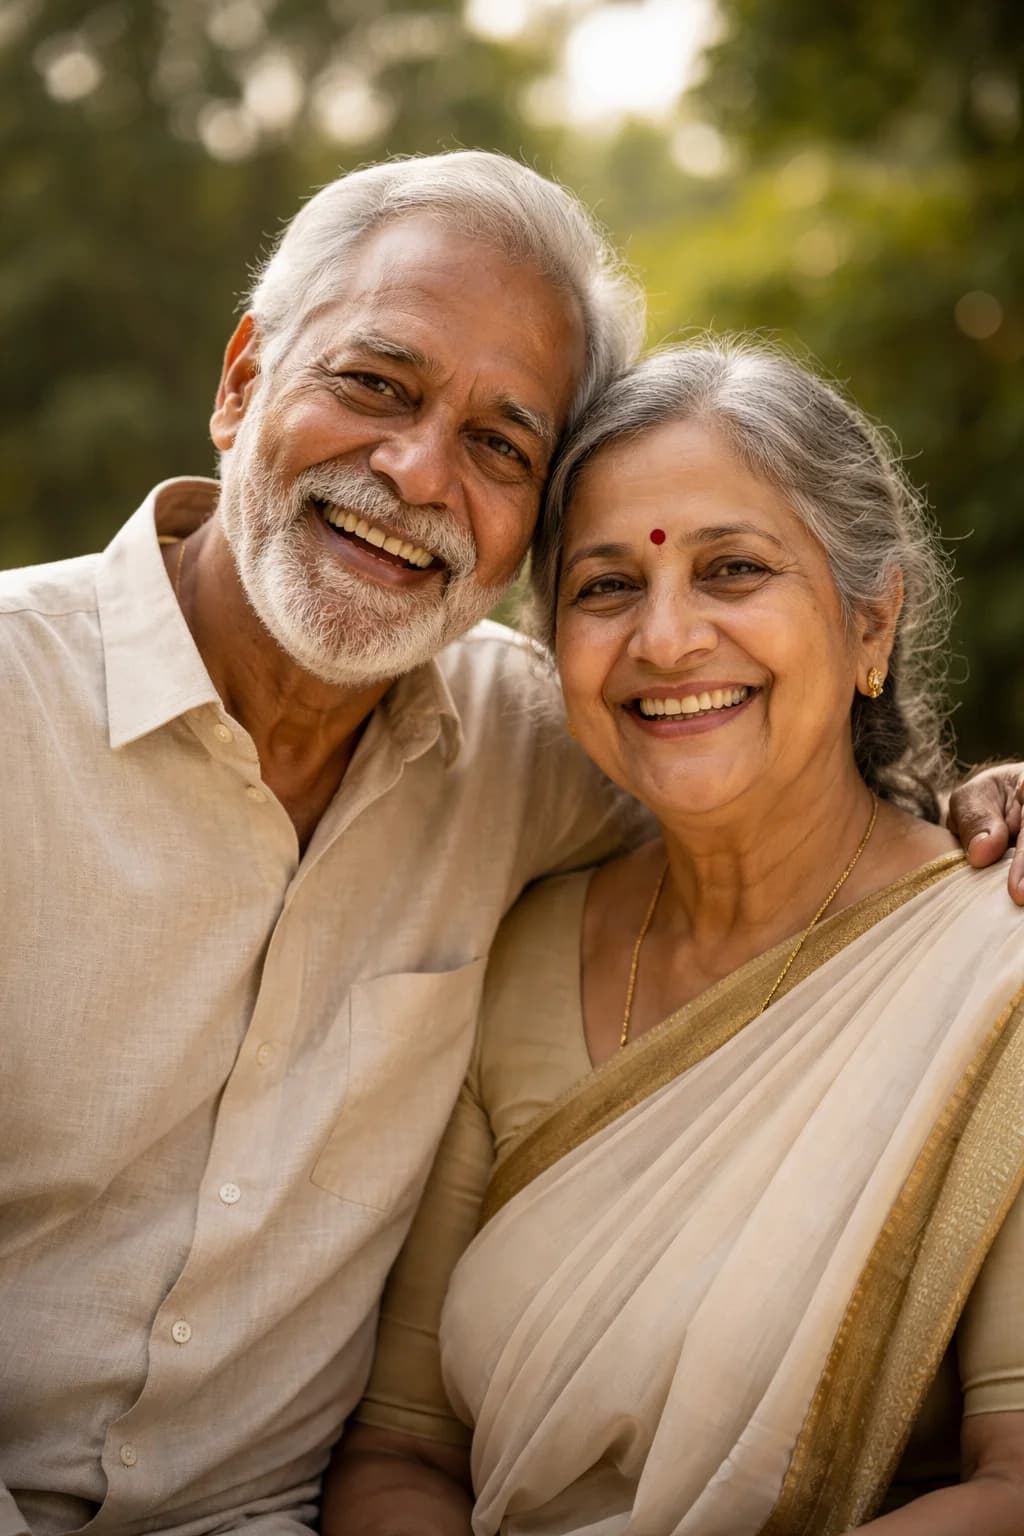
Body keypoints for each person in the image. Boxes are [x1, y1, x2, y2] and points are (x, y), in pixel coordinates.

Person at [0, 152, 652, 1536]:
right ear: (242, 384)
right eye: (375, 385)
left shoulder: (545, 747)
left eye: (500, 446)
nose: (415, 471)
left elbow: (806, 823)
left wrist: (984, 798)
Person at [329, 340, 1024, 1534]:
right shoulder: (528, 944)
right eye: (605, 587)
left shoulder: (994, 964)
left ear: (872, 622)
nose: (664, 639)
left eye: (734, 570)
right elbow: (400, 1449)